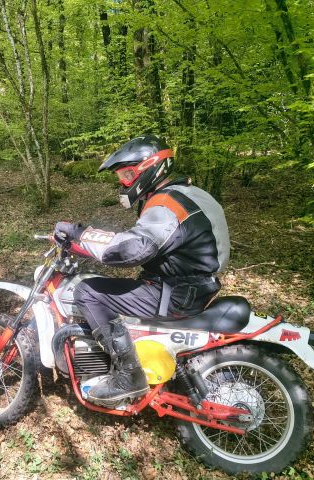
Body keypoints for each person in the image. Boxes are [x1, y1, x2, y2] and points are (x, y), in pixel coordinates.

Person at [54, 135, 230, 406]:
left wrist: (80, 233)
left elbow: (133, 249)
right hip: (194, 285)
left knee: (87, 291)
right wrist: (85, 246)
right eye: (121, 177)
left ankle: (129, 376)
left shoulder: (167, 203)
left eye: (127, 174)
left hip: (175, 294)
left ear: (151, 168)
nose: (124, 182)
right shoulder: (190, 193)